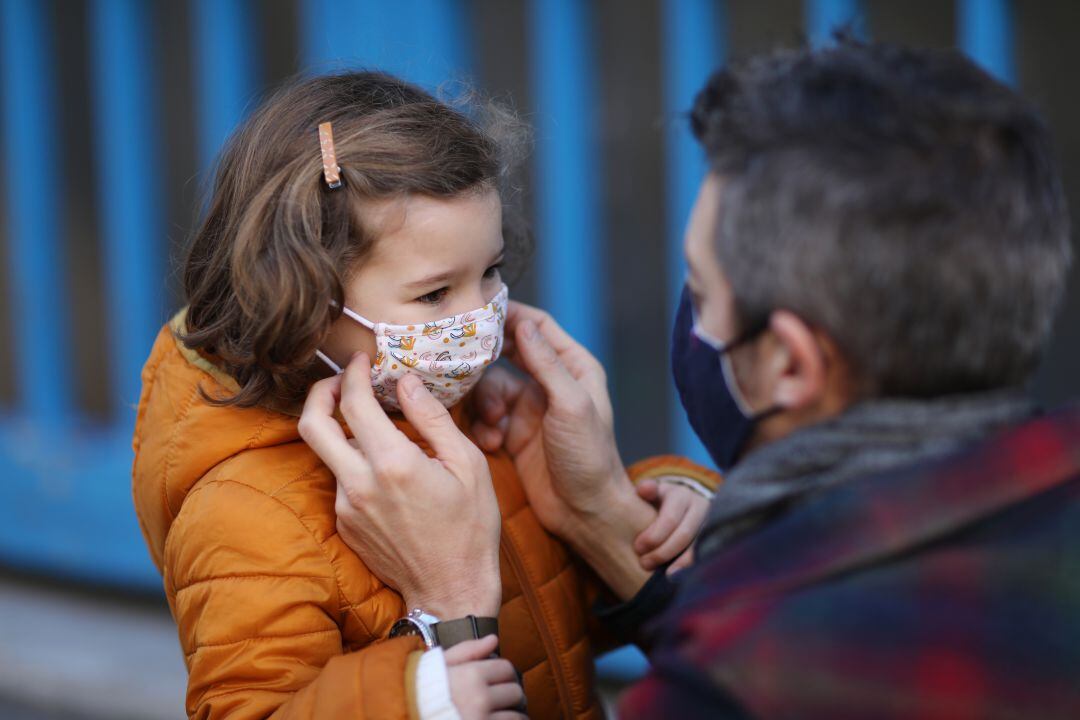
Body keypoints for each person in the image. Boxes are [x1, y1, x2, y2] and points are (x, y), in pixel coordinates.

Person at [300, 39, 1080, 718]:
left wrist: (456, 614)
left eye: (700, 294)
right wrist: (605, 515)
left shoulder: (745, 685)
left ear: (789, 362)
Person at [130, 71, 717, 719]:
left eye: (489, 271)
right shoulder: (244, 508)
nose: (481, 318)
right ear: (300, 299)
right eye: (435, 294)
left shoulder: (477, 416)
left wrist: (637, 511)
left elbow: (557, 619)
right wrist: (419, 692)